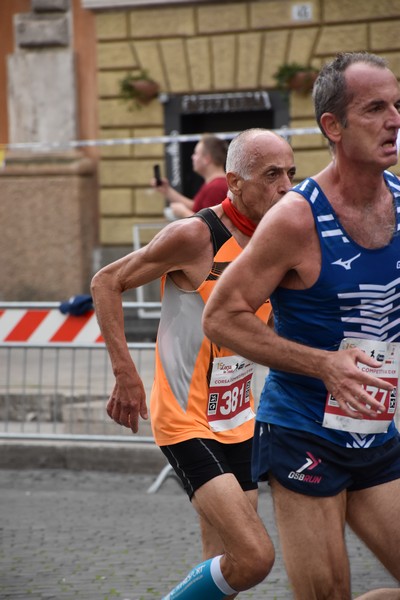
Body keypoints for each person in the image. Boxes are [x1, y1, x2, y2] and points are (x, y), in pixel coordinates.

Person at [203, 52, 400, 600]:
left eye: (398, 106)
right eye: (375, 108)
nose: (395, 120)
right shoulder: (297, 217)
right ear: (332, 127)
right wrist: (323, 364)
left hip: (374, 426)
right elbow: (221, 315)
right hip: (303, 431)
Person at [91, 128, 296, 599]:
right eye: (271, 175)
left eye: (290, 173)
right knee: (255, 555)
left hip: (238, 418)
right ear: (234, 182)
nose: (286, 186)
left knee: (224, 566)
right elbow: (106, 281)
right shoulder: (196, 236)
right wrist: (126, 373)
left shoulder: (278, 239)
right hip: (185, 419)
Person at [152, 133, 228, 219]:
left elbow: (210, 225)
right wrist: (167, 190)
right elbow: (196, 207)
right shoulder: (214, 184)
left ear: (207, 159)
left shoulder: (215, 187)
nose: (193, 157)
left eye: (196, 153)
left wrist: (183, 212)